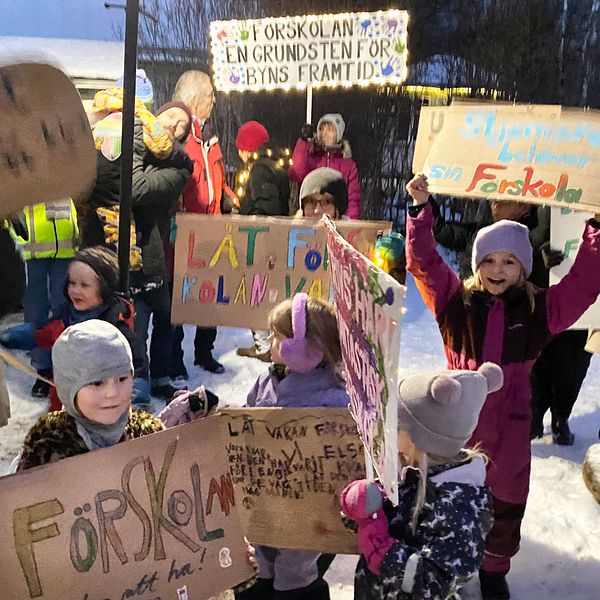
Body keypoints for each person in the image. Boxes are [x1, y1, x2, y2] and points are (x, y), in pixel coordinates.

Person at [405, 173, 600, 600]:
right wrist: (420, 211)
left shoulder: (537, 311)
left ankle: (494, 571)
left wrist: (596, 230)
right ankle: (447, 563)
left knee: (506, 502)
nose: (497, 270)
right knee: (451, 499)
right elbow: (424, 264)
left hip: (511, 429)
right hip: (456, 425)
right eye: (489, 261)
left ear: (523, 267)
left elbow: (583, 287)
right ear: (477, 266)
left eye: (509, 261)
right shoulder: (456, 304)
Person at [162, 293, 349, 600]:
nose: (271, 340)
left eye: (278, 336)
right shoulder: (268, 380)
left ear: (304, 348)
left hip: (306, 511)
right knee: (259, 561)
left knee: (296, 573)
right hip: (263, 496)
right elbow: (250, 419)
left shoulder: (334, 398)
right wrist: (216, 407)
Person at [341, 362, 503, 599]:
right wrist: (366, 508)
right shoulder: (411, 471)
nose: (389, 431)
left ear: (418, 438)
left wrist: (384, 552)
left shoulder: (458, 507)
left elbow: (435, 581)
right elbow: (389, 521)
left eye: (396, 426)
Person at [82, 84, 193, 400]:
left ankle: (158, 378)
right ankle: (139, 379)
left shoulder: (176, 167)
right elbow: (129, 186)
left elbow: (136, 188)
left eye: (182, 125)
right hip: (128, 250)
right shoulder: (129, 143)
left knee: (164, 320)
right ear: (156, 117)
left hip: (153, 249)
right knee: (136, 322)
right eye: (171, 116)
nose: (175, 124)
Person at [0, 246, 150, 411]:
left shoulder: (116, 327)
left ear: (105, 288)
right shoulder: (65, 317)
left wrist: (135, 397)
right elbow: (41, 332)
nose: (75, 290)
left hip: (104, 412)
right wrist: (10, 337)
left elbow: (137, 366)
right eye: (72, 283)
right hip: (65, 409)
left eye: (84, 285)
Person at [15, 319, 163, 471]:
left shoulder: (149, 436)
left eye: (122, 379)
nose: (112, 393)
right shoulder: (46, 450)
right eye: (97, 383)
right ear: (69, 387)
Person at [170, 70, 237, 377]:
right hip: (185, 232)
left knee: (209, 293)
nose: (213, 100)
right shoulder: (178, 137)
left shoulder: (208, 137)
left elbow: (212, 177)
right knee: (181, 295)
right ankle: (172, 355)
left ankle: (204, 352)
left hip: (213, 229)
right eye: (210, 94)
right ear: (195, 99)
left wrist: (225, 194)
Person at [8, 198, 79, 397]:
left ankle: (63, 367)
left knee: (65, 310)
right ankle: (43, 371)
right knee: (35, 312)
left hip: (65, 244)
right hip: (29, 246)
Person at [234, 120, 290, 362]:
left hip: (261, 240)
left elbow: (266, 206)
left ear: (248, 147)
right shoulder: (274, 165)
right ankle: (267, 343)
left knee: (257, 292)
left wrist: (246, 218)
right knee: (268, 292)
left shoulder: (258, 170)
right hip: (274, 238)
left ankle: (264, 346)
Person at [288, 113, 360, 219]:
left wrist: (349, 227)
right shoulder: (310, 158)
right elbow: (296, 173)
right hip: (311, 216)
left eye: (329, 130)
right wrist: (304, 142)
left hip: (335, 218)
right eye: (321, 129)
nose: (324, 133)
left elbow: (352, 199)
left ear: (338, 135)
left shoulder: (348, 165)